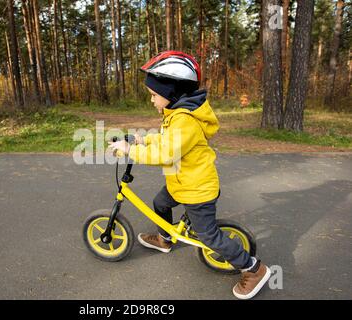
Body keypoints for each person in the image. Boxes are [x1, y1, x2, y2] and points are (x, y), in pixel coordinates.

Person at [109, 51, 271, 300]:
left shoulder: (185, 121)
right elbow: (166, 140)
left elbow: (166, 153)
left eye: (154, 94)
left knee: (209, 236)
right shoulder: (176, 114)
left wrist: (131, 149)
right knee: (160, 203)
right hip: (182, 184)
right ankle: (165, 239)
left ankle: (253, 268)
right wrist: (143, 139)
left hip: (197, 191)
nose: (151, 100)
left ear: (172, 93)